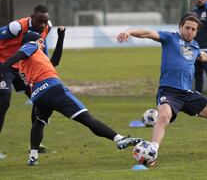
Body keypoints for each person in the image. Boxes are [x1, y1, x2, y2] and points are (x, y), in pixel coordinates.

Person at [117, 13, 207, 166]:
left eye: (193, 29)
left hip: (187, 93)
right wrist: (129, 32)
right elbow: (148, 33)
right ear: (180, 27)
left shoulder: (195, 45)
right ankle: (152, 152)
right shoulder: (169, 38)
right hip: (168, 92)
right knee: (163, 117)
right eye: (187, 28)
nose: (189, 31)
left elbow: (200, 55)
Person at [0, 32, 143, 166]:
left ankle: (33, 156)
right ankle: (119, 139)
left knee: (39, 122)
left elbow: (54, 61)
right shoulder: (32, 45)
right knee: (86, 118)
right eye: (42, 42)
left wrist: (61, 37)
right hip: (53, 89)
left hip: (38, 95)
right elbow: (14, 57)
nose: (43, 45)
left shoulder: (25, 65)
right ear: (36, 41)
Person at [0, 5, 58, 156]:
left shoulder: (47, 27)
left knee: (40, 98)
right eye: (39, 21)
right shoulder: (16, 27)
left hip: (22, 68)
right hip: (3, 65)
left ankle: (35, 145)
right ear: (32, 17)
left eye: (45, 21)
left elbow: (41, 49)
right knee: (3, 101)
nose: (42, 25)